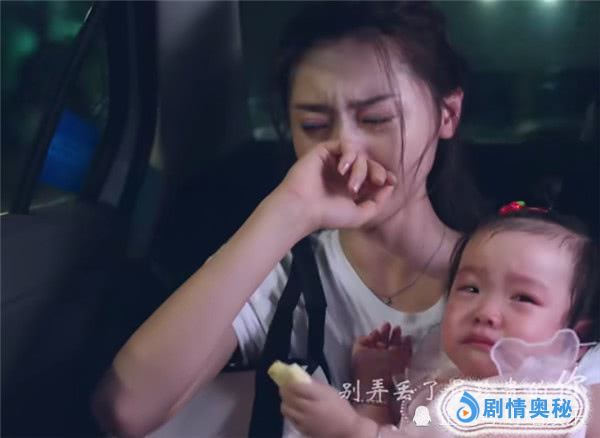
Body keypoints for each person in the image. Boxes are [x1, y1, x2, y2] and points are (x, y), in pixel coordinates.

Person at [91, 2, 489, 436]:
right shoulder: (287, 279)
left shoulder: (514, 277)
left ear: (447, 114)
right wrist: (289, 210)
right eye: (314, 125)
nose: (345, 148)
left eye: (376, 119)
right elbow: (126, 408)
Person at [277, 205, 600, 437]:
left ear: (574, 338)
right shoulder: (436, 376)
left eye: (523, 298)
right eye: (470, 288)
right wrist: (373, 387)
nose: (485, 311)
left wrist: (349, 430)